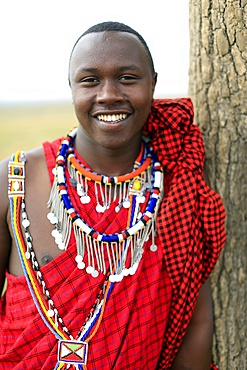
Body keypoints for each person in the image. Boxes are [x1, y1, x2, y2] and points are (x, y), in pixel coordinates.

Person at [0, 21, 226, 370]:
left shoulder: (180, 183)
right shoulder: (14, 180)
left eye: (127, 78)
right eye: (90, 80)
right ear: (72, 88)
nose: (108, 94)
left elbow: (194, 323)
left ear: (152, 84)